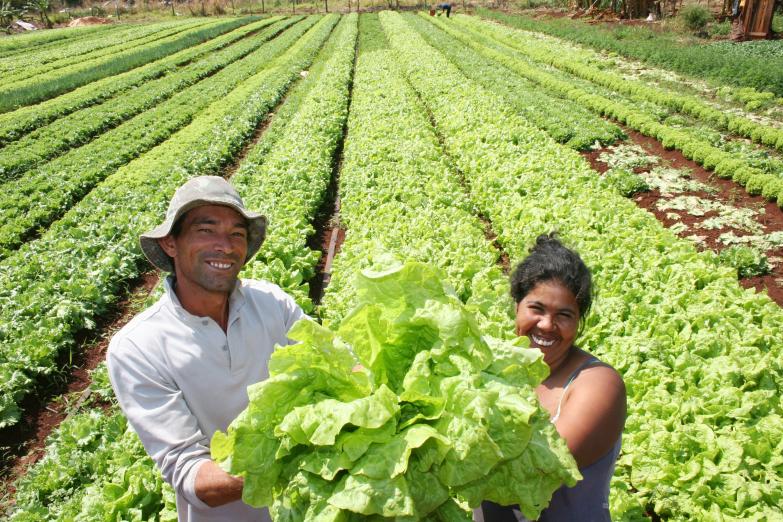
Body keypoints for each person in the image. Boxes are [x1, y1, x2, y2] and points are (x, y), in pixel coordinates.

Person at [107, 176, 306, 522]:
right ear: (171, 243)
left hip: (312, 509)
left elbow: (337, 369)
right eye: (206, 230)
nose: (225, 246)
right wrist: (300, 456)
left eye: (237, 234)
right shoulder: (138, 348)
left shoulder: (275, 304)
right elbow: (192, 475)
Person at [477, 234, 626, 522]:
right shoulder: (496, 366)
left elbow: (543, 467)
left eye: (564, 315)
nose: (547, 325)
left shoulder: (598, 383)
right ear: (517, 305)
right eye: (537, 308)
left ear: (579, 320)